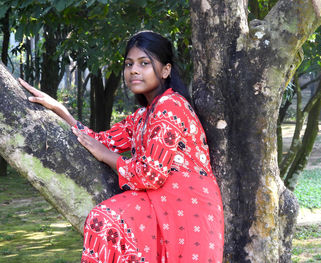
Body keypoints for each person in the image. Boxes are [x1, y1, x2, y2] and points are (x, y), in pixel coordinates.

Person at [20, 31, 224, 263]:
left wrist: (109, 157)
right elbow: (97, 140)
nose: (133, 70)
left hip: (188, 212)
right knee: (105, 222)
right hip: (160, 205)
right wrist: (59, 109)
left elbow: (151, 174)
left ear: (166, 70)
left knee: (104, 220)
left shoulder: (171, 106)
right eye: (129, 64)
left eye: (144, 63)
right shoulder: (143, 116)